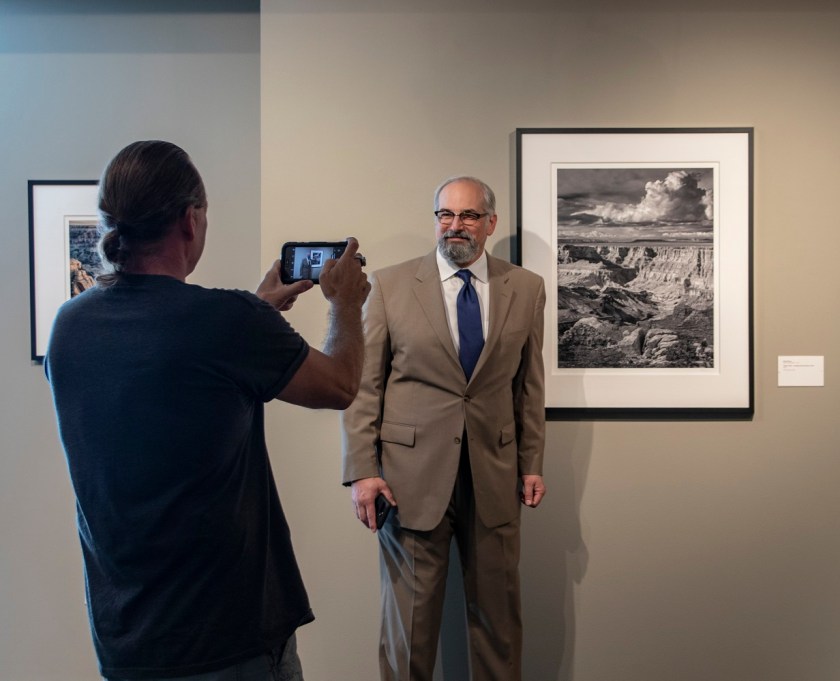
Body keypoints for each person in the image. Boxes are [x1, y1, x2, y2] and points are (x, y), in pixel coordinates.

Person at [45, 140, 370, 681]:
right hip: (228, 641)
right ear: (190, 220)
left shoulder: (70, 325)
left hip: (128, 641)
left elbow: (173, 369)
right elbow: (339, 385)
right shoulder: (226, 323)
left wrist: (255, 314)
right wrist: (346, 304)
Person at [341, 176, 547, 681]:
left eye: (469, 216)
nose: (455, 227)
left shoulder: (525, 288)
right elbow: (363, 386)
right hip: (409, 481)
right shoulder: (389, 286)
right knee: (409, 633)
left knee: (499, 628)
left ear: (490, 223)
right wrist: (362, 471)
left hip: (494, 478)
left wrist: (531, 464)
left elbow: (530, 387)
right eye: (445, 216)